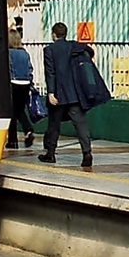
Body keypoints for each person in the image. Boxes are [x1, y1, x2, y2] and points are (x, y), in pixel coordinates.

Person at [40, 22, 93, 168]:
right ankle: (87, 152)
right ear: (66, 33)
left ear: (53, 34)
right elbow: (89, 50)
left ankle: (50, 154)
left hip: (58, 94)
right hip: (75, 94)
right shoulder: (74, 47)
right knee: (80, 124)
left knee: (54, 125)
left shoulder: (49, 50)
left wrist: (51, 92)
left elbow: (50, 72)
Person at [7, 28, 35, 149]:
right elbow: (30, 69)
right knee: (20, 110)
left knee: (11, 112)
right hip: (25, 84)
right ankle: (28, 129)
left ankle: (12, 140)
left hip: (13, 83)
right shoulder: (25, 53)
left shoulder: (8, 52)